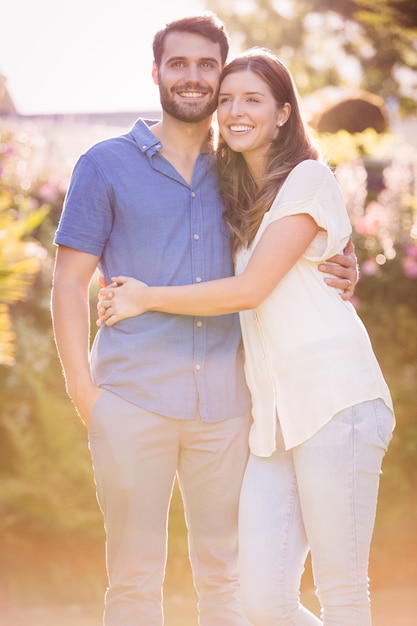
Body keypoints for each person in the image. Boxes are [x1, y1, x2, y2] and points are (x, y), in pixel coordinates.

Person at [51, 13, 358, 626]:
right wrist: (85, 393)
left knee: (227, 582)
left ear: (220, 74)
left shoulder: (245, 170)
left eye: (206, 65)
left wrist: (346, 266)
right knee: (134, 584)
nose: (192, 77)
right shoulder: (105, 164)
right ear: (158, 73)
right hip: (132, 399)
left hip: (226, 409)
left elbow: (295, 249)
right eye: (179, 63)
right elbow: (66, 282)